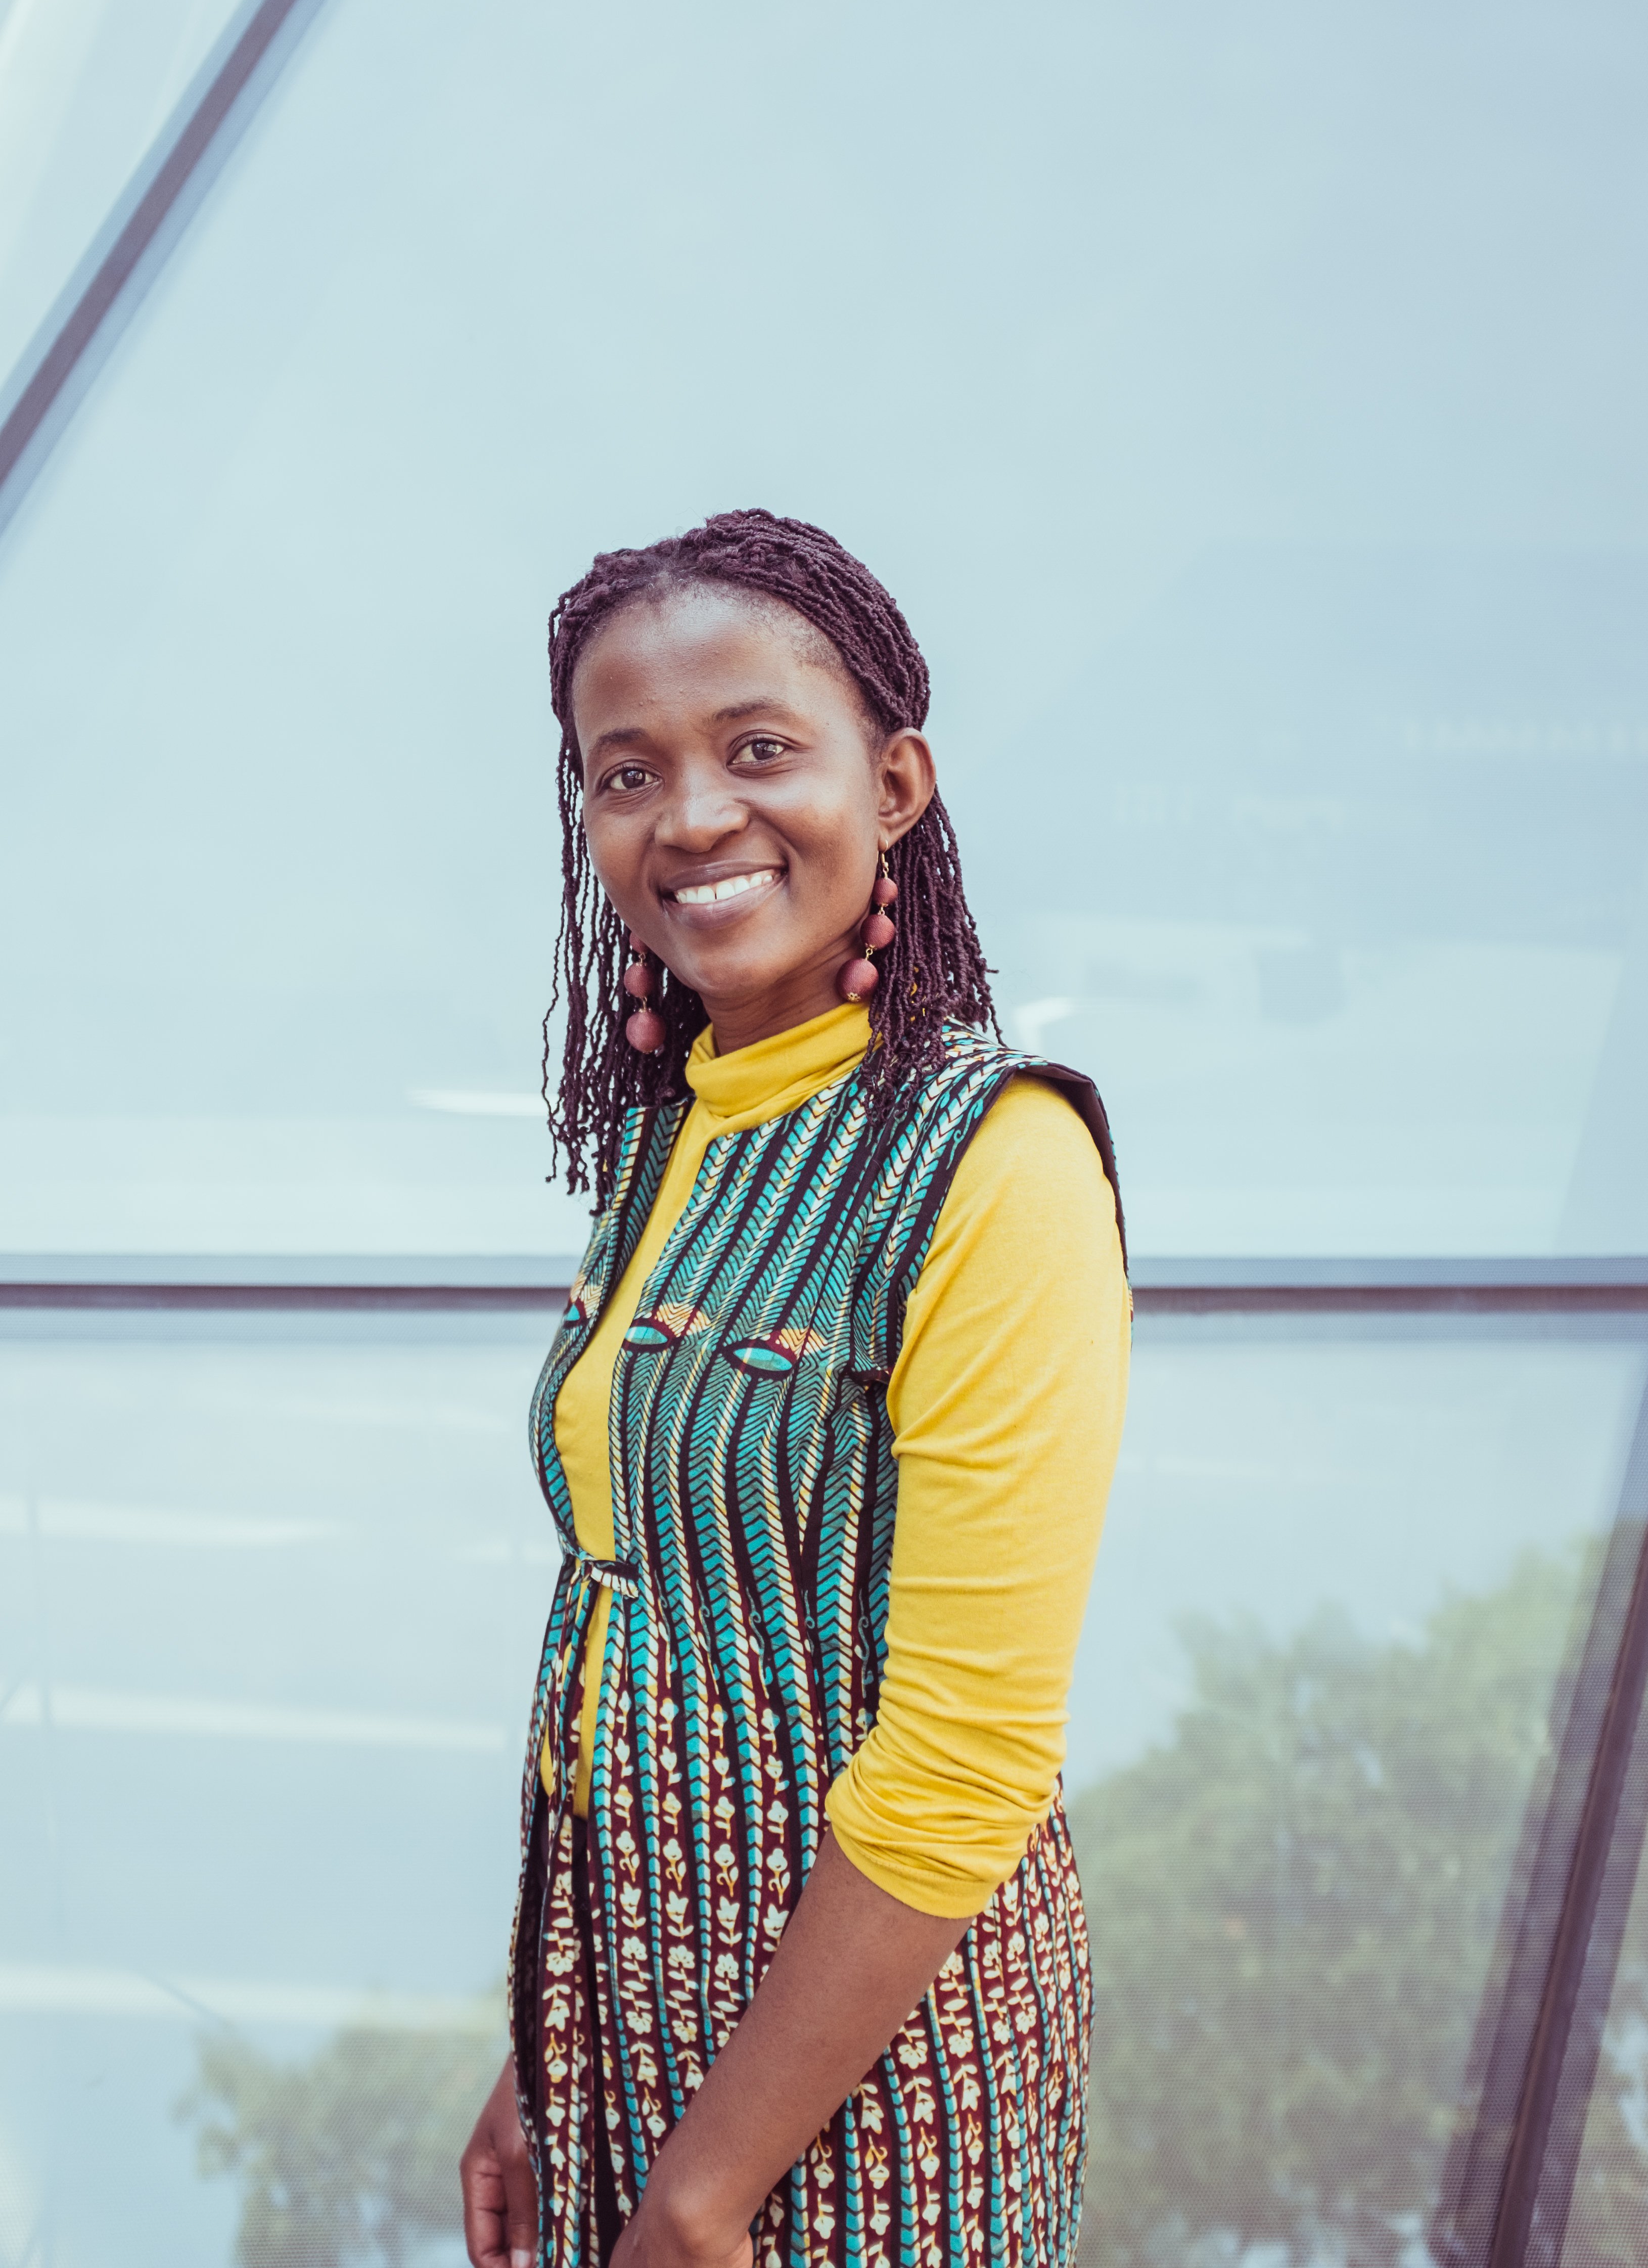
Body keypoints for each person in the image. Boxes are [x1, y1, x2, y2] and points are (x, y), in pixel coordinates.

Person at [461, 510, 1130, 2268]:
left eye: (761, 749)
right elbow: (631, 1627)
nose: (691, 816)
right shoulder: (678, 1127)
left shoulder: (1000, 1160)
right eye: (626, 772)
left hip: (862, 2087)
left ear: (894, 783)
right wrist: (547, 2053)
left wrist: (706, 2185)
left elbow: (969, 1761)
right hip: (639, 2042)